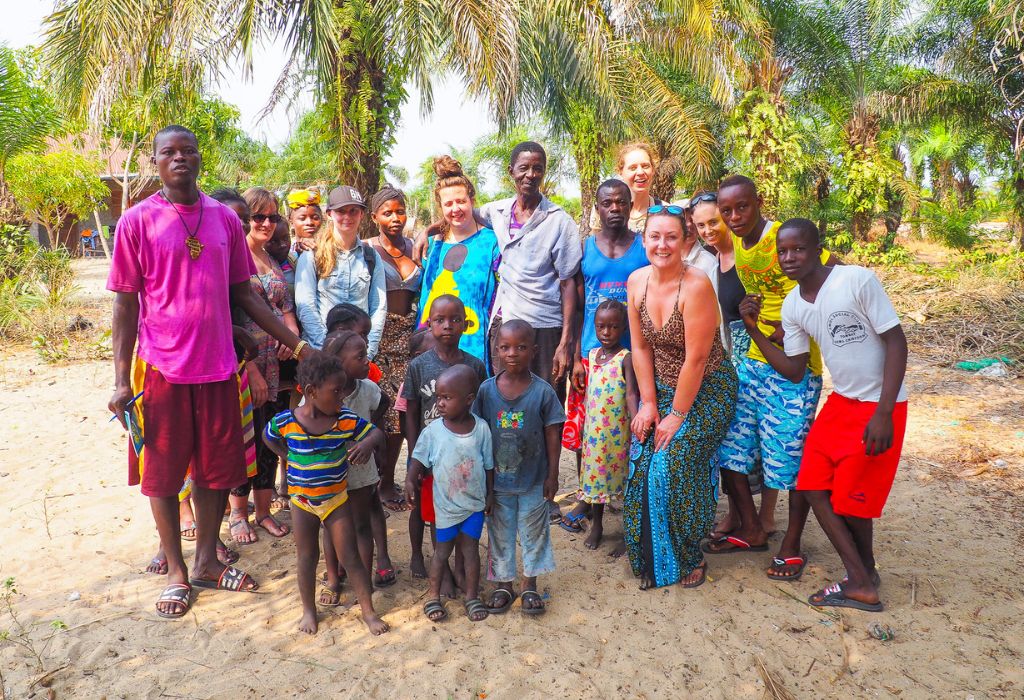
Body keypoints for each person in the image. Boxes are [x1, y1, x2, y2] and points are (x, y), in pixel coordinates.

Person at [107, 125, 314, 619]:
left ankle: (206, 562)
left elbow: (246, 295)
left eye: (188, 150)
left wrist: (299, 346)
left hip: (220, 367)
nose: (179, 158)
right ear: (154, 162)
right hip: (162, 368)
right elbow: (125, 304)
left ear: (200, 158)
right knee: (162, 473)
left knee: (216, 470)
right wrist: (119, 378)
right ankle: (176, 572)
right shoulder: (136, 222)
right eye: (168, 152)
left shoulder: (223, 219)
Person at [739, 219, 907, 611]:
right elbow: (794, 368)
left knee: (852, 500)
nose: (789, 257)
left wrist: (884, 412)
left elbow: (896, 342)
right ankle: (864, 575)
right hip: (842, 403)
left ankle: (861, 579)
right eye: (782, 251)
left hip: (880, 404)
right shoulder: (795, 303)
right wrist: (754, 331)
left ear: (818, 249)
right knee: (812, 484)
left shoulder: (856, 281)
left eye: (798, 249)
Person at [709, 176, 834, 582]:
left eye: (741, 207)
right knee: (731, 448)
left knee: (790, 460)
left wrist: (802, 318)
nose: (734, 217)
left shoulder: (785, 236)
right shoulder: (741, 248)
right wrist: (751, 309)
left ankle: (792, 545)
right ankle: (752, 528)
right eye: (726, 211)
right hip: (753, 357)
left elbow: (834, 270)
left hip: (795, 367)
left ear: (758, 202)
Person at [624, 209, 738, 590]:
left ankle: (689, 554)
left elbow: (698, 358)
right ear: (643, 241)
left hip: (708, 391)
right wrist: (649, 404)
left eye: (671, 237)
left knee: (671, 460)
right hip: (662, 390)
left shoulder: (696, 284)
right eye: (654, 236)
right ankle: (648, 556)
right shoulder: (636, 282)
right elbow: (640, 348)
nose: (662, 245)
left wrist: (675, 414)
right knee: (641, 457)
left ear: (685, 242)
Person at [262, 353, 389, 635]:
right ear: (310, 392)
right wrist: (287, 455)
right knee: (306, 557)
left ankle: (368, 611)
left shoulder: (344, 420)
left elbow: (376, 434)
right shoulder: (287, 421)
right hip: (302, 502)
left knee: (351, 556)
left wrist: (367, 444)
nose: (342, 398)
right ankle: (309, 611)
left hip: (336, 501)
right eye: (336, 391)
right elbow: (267, 435)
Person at [560, 179, 648, 535]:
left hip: (636, 353)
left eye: (621, 202)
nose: (614, 209)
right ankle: (588, 495)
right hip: (592, 355)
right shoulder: (585, 249)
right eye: (607, 203)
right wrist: (576, 355)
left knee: (632, 418)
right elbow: (579, 306)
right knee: (587, 425)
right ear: (597, 208)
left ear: (630, 206)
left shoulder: (644, 247)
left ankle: (626, 490)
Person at [473, 320, 565, 615]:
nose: (512, 353)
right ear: (496, 350)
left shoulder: (543, 392)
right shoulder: (486, 391)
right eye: (505, 347)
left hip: (533, 479)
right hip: (497, 482)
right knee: (499, 533)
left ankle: (529, 585)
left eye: (521, 347)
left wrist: (552, 474)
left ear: (534, 351)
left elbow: (553, 434)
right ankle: (503, 585)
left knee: (534, 531)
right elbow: (477, 434)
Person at [226, 187, 299, 544]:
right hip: (247, 363)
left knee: (272, 434)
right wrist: (249, 368)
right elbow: (232, 316)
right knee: (246, 438)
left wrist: (292, 335)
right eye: (259, 217)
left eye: (273, 217)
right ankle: (239, 514)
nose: (267, 224)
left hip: (278, 364)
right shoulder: (234, 260)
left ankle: (264, 511)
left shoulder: (272, 258)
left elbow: (286, 308)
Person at [402, 295, 488, 590]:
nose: (447, 326)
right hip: (429, 453)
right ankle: (418, 555)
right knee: (423, 508)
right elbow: (411, 411)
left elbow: (481, 409)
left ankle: (459, 568)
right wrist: (415, 455)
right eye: (439, 320)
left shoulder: (475, 366)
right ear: (429, 324)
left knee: (456, 507)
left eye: (454, 320)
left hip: (462, 455)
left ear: (465, 324)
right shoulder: (418, 366)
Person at [407, 365, 494, 622]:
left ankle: (471, 596)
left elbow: (489, 466)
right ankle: (433, 596)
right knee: (441, 552)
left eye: (447, 398)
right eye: (438, 397)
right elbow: (418, 460)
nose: (440, 403)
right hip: (445, 507)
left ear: (469, 399)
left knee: (470, 551)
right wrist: (411, 481)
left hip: (474, 505)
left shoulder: (482, 430)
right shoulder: (432, 432)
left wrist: (490, 495)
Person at [690, 191, 750, 538]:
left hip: (760, 355)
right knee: (737, 442)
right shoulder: (717, 257)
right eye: (701, 225)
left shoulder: (748, 252)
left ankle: (764, 518)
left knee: (752, 439)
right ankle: (742, 517)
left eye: (714, 221)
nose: (709, 229)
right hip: (734, 356)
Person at [321, 329, 396, 598]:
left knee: (362, 523)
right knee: (330, 525)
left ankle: (362, 578)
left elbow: (384, 403)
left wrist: (372, 440)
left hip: (361, 471)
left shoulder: (369, 390)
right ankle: (332, 578)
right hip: (328, 473)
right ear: (338, 363)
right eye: (360, 356)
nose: (368, 360)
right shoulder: (320, 393)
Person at [417, 156, 500, 366]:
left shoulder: (492, 242)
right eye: (448, 204)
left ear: (471, 200)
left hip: (473, 347)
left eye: (461, 201)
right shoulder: (430, 245)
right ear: (440, 208)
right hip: (431, 348)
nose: (455, 209)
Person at [369, 184, 421, 511]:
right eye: (387, 212)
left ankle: (389, 480)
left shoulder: (417, 247)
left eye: (399, 211)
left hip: (410, 340)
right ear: (374, 217)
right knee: (380, 412)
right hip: (378, 339)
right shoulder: (366, 249)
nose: (395, 218)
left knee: (401, 414)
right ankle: (377, 483)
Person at [575, 300, 638, 551]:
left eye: (612, 327)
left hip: (618, 433)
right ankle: (598, 525)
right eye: (601, 327)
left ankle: (627, 530)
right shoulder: (592, 355)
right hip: (594, 434)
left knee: (622, 478)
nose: (606, 333)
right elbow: (590, 394)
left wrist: (636, 420)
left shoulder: (626, 358)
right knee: (596, 478)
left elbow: (632, 393)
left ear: (623, 328)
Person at [295, 185, 386, 355]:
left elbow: (378, 308)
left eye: (353, 211)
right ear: (329, 214)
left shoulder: (371, 257)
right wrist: (328, 349)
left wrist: (368, 351)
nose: (347, 217)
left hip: (359, 356)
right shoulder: (313, 254)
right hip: (321, 354)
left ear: (362, 214)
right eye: (341, 211)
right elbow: (306, 306)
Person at [588, 143, 662, 235]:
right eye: (633, 168)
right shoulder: (604, 208)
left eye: (645, 166)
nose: (640, 172)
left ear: (653, 170)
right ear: (620, 172)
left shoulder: (666, 211)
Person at [326, 303, 383, 383]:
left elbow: (376, 394)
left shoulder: (369, 369)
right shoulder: (317, 370)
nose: (367, 341)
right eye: (363, 334)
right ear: (341, 332)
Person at [286, 188, 323, 253]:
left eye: (315, 218)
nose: (309, 223)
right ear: (291, 221)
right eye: (302, 218)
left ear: (322, 219)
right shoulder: (286, 253)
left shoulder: (331, 248)